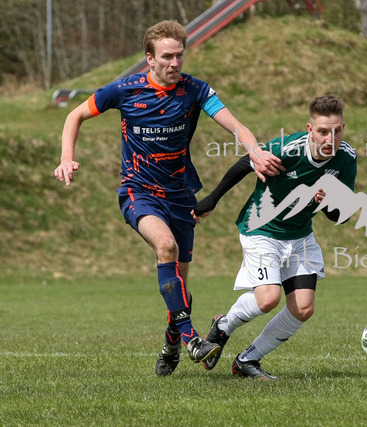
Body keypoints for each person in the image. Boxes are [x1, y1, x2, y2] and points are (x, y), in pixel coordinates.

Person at [53, 20, 283, 377]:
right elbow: (75, 114)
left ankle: (172, 340)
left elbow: (235, 125)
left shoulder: (195, 90)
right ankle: (191, 339)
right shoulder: (125, 90)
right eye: (167, 57)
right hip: (139, 191)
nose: (175, 63)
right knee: (166, 247)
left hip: (181, 197)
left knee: (181, 290)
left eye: (179, 55)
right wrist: (66, 158)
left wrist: (253, 150)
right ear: (150, 58)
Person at [192, 95, 357, 379]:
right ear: (310, 129)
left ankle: (247, 360)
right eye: (322, 131)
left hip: (300, 236)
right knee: (268, 299)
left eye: (336, 131)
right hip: (261, 230)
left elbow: (341, 217)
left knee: (303, 308)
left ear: (343, 127)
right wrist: (213, 199)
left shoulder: (346, 158)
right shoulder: (288, 148)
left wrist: (329, 204)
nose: (330, 139)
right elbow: (246, 163)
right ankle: (223, 325)